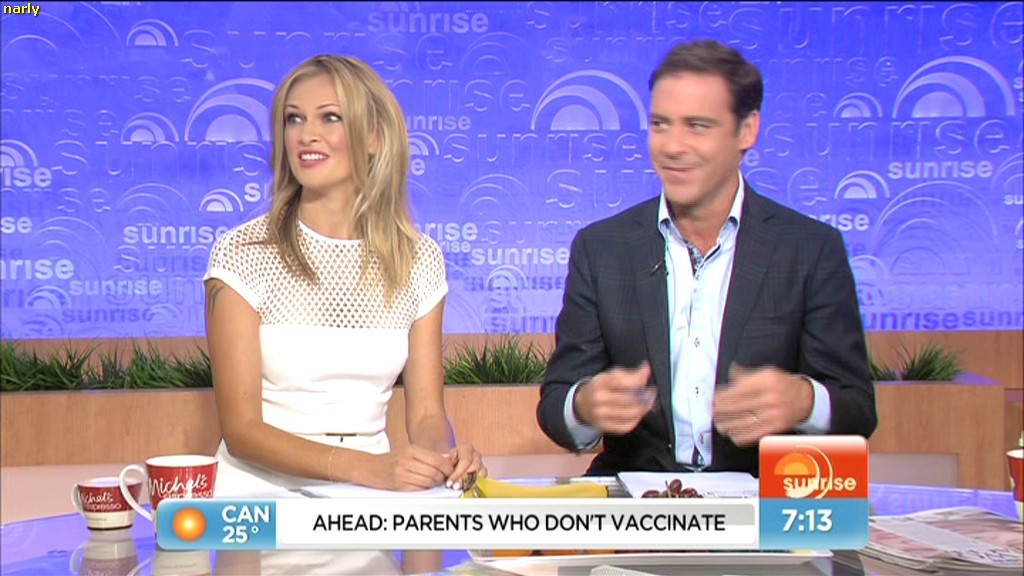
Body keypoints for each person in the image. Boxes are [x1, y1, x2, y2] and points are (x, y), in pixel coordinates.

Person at [536, 40, 877, 476]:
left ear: (746, 130)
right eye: (660, 124)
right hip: (637, 502)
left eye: (697, 126)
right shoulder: (601, 248)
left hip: (768, 498)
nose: (673, 146)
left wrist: (805, 401)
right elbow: (556, 405)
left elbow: (858, 410)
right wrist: (584, 406)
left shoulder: (810, 249)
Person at [203, 54, 485, 499]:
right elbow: (242, 431)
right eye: (294, 118)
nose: (306, 135)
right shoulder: (243, 253)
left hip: (367, 500)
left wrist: (445, 459)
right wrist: (366, 468)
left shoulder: (419, 261)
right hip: (258, 500)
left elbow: (427, 416)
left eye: (329, 117)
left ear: (373, 137)